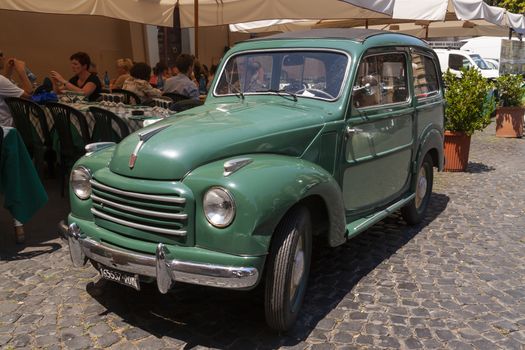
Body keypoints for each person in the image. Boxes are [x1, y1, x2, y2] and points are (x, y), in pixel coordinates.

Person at [0, 50, 33, 127]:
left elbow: (3, 88)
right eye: (0, 55)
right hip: (7, 127)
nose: (4, 57)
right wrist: (22, 71)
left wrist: (8, 72)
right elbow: (29, 95)